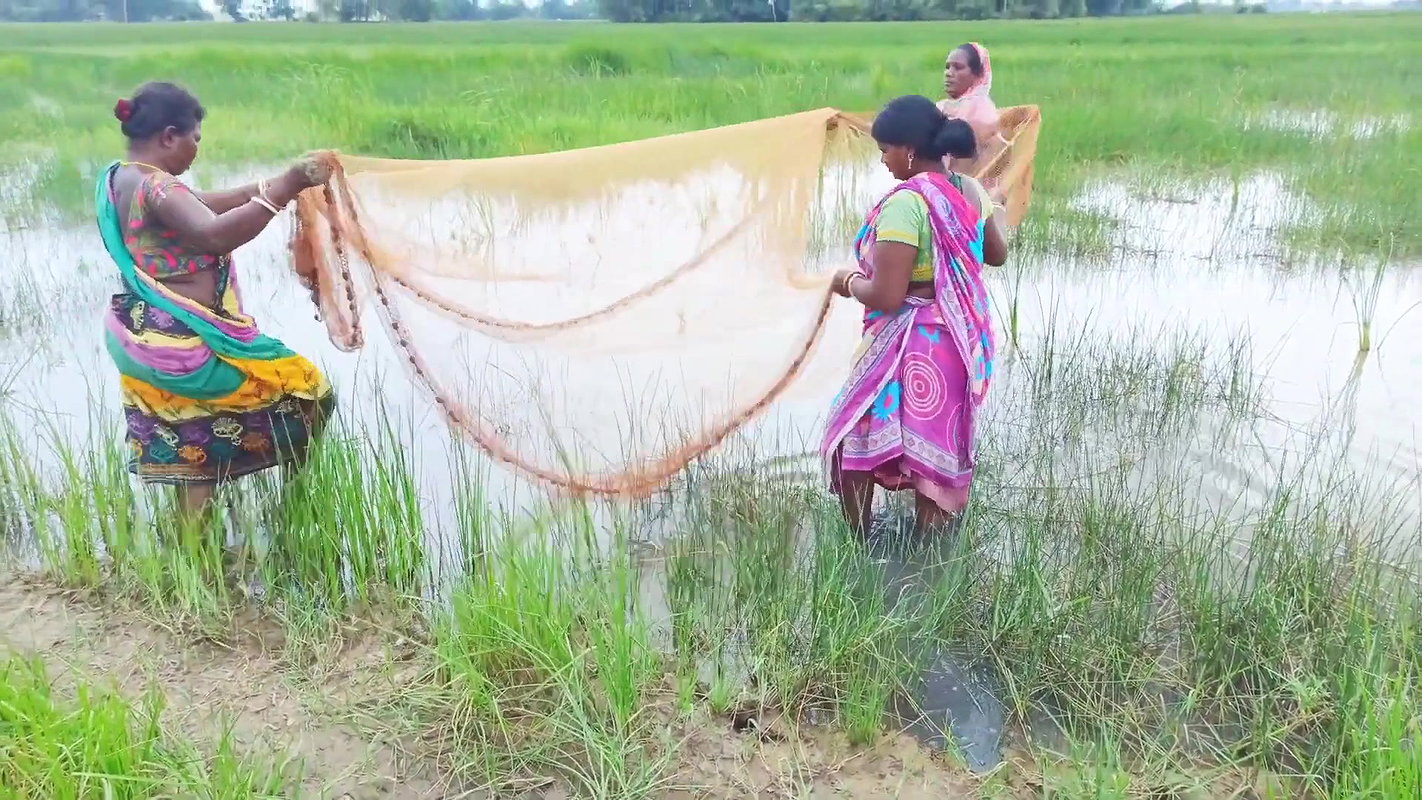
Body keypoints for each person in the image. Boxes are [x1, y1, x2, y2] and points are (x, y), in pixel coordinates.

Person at [96, 81, 336, 529]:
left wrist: (266, 185)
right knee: (310, 391)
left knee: (192, 439)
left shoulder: (121, 177)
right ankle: (292, 512)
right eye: (195, 140)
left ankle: (196, 557)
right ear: (170, 136)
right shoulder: (156, 187)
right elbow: (214, 233)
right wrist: (283, 188)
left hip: (148, 332)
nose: (196, 151)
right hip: (184, 341)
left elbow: (202, 205)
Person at [822, 95, 1007, 540]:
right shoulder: (968, 190)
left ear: (907, 149)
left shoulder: (906, 204)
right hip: (955, 345)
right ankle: (930, 565)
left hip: (908, 343)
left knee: (852, 438)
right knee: (936, 454)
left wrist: (845, 282)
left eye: (885, 150)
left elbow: (887, 295)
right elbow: (996, 255)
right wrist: (989, 210)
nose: (883, 161)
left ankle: (860, 547)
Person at [938, 42, 1007, 180]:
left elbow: (967, 165)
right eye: (947, 67)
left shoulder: (980, 110)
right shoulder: (943, 106)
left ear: (978, 74)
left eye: (958, 68)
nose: (949, 73)